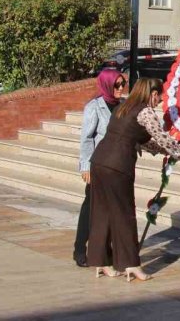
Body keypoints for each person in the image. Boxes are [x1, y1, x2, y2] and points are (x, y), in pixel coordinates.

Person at [87, 77, 180, 281]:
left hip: (99, 162)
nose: (161, 101)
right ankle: (130, 265)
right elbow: (161, 137)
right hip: (118, 166)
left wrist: (165, 152)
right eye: (159, 96)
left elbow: (143, 141)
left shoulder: (123, 107)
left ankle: (100, 261)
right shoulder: (145, 111)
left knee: (102, 212)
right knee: (124, 214)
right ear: (152, 94)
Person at [73, 68, 126, 267]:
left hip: (117, 166)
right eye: (117, 85)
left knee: (112, 210)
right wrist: (85, 166)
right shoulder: (94, 107)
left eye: (123, 84)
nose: (120, 88)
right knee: (91, 208)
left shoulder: (123, 105)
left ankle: (108, 249)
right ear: (107, 84)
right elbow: (86, 139)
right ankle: (80, 248)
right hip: (98, 165)